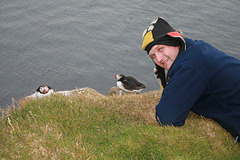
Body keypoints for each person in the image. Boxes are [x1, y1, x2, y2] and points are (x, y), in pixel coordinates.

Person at [141, 17, 240, 143]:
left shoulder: (190, 67)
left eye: (161, 49)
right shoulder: (194, 48)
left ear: (174, 42)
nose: (159, 59)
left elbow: (167, 118)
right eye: (153, 56)